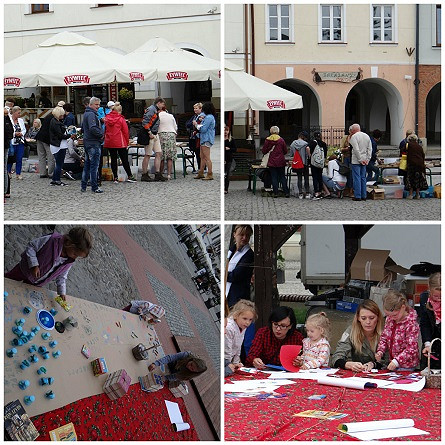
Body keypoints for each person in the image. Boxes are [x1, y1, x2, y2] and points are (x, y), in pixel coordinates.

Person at [5, 227, 93, 302]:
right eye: (75, 254)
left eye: (78, 256)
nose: (75, 258)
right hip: (24, 269)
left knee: (22, 294)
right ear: (68, 243)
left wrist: (62, 292)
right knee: (7, 280)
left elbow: (62, 277)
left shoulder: (69, 261)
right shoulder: (51, 240)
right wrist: (34, 265)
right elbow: (31, 247)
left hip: (37, 282)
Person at [331, 300, 387, 372]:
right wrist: (348, 364)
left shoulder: (386, 331)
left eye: (372, 318)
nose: (368, 322)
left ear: (378, 318)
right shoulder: (351, 331)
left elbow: (388, 361)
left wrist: (374, 364)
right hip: (358, 374)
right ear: (358, 318)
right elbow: (336, 357)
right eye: (363, 318)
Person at [375, 290, 420, 371]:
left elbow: (412, 348)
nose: (391, 317)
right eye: (388, 315)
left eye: (394, 315)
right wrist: (380, 351)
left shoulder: (411, 323)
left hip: (407, 365)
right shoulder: (390, 319)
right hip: (393, 362)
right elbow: (384, 337)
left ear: (403, 307)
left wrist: (397, 361)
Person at [103, 102, 135, 184]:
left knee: (113, 159)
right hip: (120, 141)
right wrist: (127, 142)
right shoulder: (121, 119)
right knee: (124, 159)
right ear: (120, 111)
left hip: (110, 141)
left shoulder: (107, 118)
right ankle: (130, 175)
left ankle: (115, 177)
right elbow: (125, 132)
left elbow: (105, 130)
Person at [226, 225, 254, 309]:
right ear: (234, 234)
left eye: (248, 235)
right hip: (226, 292)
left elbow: (235, 276)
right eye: (241, 235)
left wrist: (223, 274)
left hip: (236, 298)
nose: (244, 238)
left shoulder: (249, 255)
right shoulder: (230, 249)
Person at [141, 97, 167, 182]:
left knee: (159, 153)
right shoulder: (151, 110)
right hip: (150, 134)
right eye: (162, 104)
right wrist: (149, 132)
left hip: (155, 134)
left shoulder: (155, 110)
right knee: (148, 154)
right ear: (158, 103)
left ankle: (157, 173)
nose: (163, 106)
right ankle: (144, 174)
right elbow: (145, 122)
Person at [81, 97, 104, 193]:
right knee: (94, 166)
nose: (98, 107)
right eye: (96, 104)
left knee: (87, 165)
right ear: (90, 104)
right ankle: (94, 186)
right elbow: (92, 128)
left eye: (99, 104)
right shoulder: (91, 114)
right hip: (93, 143)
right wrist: (101, 134)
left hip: (88, 142)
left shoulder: (87, 113)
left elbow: (83, 128)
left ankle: (83, 185)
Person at [225, 299, 257, 367]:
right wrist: (228, 364)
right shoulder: (229, 327)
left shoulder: (242, 326)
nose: (247, 322)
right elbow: (227, 348)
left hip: (230, 359)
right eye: (245, 319)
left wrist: (236, 362)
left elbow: (238, 346)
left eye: (250, 320)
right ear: (236, 315)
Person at [419, 272, 441, 370]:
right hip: (431, 342)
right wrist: (427, 344)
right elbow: (425, 324)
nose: (439, 299)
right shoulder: (424, 298)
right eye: (436, 296)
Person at [261, 126, 290, 198]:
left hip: (271, 161)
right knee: (282, 177)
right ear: (278, 131)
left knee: (274, 177)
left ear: (271, 131)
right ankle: (286, 192)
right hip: (280, 161)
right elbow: (285, 151)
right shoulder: (281, 140)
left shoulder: (267, 140)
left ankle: (275, 193)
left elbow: (264, 151)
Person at [49, 106, 74, 186]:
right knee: (59, 163)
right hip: (59, 145)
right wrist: (69, 136)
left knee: (58, 163)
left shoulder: (54, 121)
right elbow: (60, 135)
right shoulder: (56, 123)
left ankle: (54, 179)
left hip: (57, 144)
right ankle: (57, 179)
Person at [349, 123, 372, 201]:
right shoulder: (366, 136)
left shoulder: (354, 137)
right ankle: (364, 195)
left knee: (356, 178)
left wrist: (360, 159)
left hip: (356, 160)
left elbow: (356, 149)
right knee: (363, 178)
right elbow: (370, 149)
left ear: (354, 130)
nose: (351, 132)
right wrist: (367, 159)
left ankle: (358, 195)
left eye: (351, 130)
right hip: (365, 159)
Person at [193, 101, 216, 181]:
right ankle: (201, 172)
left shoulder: (209, 117)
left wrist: (196, 125)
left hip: (206, 138)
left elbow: (203, 129)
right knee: (202, 156)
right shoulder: (208, 117)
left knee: (207, 157)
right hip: (204, 138)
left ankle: (210, 173)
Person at [404, 133, 428, 199]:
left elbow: (405, 154)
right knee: (418, 179)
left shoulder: (408, 145)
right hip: (420, 164)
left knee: (411, 178)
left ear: (409, 139)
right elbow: (423, 155)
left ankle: (410, 194)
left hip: (412, 164)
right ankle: (417, 195)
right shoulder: (419, 146)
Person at [6, 106, 27, 180]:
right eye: (18, 113)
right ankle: (8, 172)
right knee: (10, 158)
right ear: (14, 113)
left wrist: (21, 133)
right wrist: (14, 134)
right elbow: (7, 130)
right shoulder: (9, 120)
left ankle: (18, 173)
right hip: (12, 142)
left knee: (19, 158)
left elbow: (24, 129)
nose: (19, 114)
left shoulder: (21, 120)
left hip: (20, 142)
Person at [290, 131, 310, 199]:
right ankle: (307, 192)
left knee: (299, 178)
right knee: (306, 177)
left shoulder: (293, 143)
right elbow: (307, 154)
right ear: (303, 137)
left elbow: (291, 154)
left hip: (297, 163)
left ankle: (300, 193)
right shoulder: (306, 144)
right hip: (304, 163)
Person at [158, 109, 178, 180]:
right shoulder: (171, 116)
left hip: (161, 135)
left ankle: (160, 173)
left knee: (161, 156)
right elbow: (175, 127)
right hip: (171, 135)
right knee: (170, 157)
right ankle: (169, 174)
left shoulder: (158, 116)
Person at [35, 111, 55, 179]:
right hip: (47, 139)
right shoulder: (54, 119)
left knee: (41, 156)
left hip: (39, 137)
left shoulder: (48, 116)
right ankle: (50, 173)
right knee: (50, 156)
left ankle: (42, 173)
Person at [308, 131, 327, 200]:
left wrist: (310, 155)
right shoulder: (323, 144)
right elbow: (325, 154)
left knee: (314, 177)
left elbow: (307, 148)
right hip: (321, 162)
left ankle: (316, 191)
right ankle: (320, 191)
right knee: (320, 177)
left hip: (314, 162)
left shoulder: (312, 142)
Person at [186, 102, 204, 170]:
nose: (195, 110)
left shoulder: (202, 116)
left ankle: (202, 168)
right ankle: (200, 167)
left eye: (196, 108)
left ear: (200, 109)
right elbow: (188, 124)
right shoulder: (194, 116)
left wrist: (195, 124)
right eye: (194, 108)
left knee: (200, 153)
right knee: (197, 152)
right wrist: (192, 124)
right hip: (194, 137)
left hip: (199, 137)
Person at [4, 108, 14, 199]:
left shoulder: (6, 119)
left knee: (4, 169)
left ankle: (5, 191)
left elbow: (10, 133)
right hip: (6, 145)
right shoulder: (7, 119)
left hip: (5, 145)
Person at [340, 130, 353, 197]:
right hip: (346, 158)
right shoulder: (345, 138)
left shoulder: (356, 137)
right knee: (345, 173)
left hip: (353, 158)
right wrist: (346, 149)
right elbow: (341, 148)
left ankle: (351, 190)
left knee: (351, 174)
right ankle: (346, 189)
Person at [224, 125, 236, 194]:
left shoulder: (231, 139)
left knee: (227, 175)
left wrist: (229, 149)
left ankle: (226, 189)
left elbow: (235, 149)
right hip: (223, 158)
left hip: (229, 159)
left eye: (226, 130)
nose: (225, 132)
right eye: (224, 130)